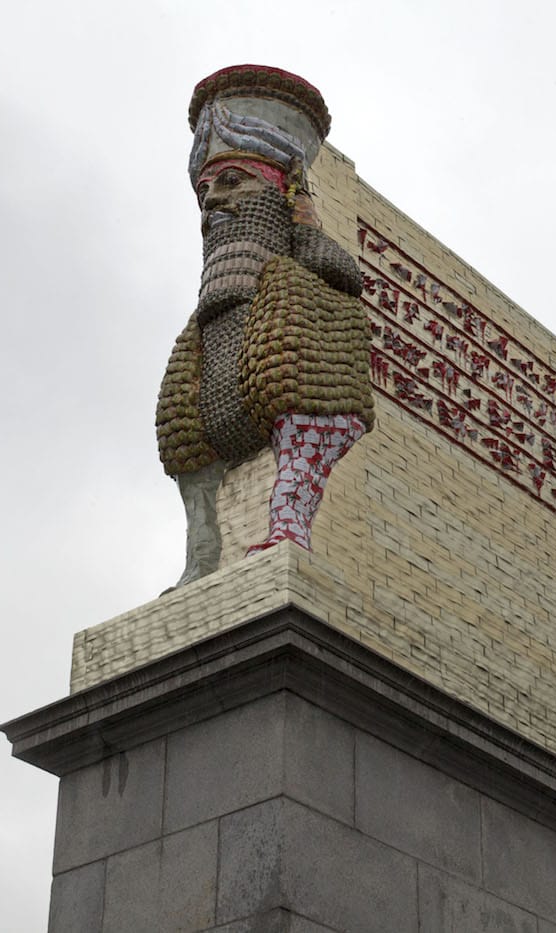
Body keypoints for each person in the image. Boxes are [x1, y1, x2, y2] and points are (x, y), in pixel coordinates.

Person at [155, 65, 373, 590]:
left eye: (231, 181)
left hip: (283, 353)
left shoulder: (304, 262)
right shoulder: (205, 316)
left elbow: (342, 272)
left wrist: (305, 222)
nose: (211, 201)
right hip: (220, 352)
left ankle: (290, 524)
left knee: (313, 391)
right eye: (204, 189)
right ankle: (202, 555)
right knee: (183, 434)